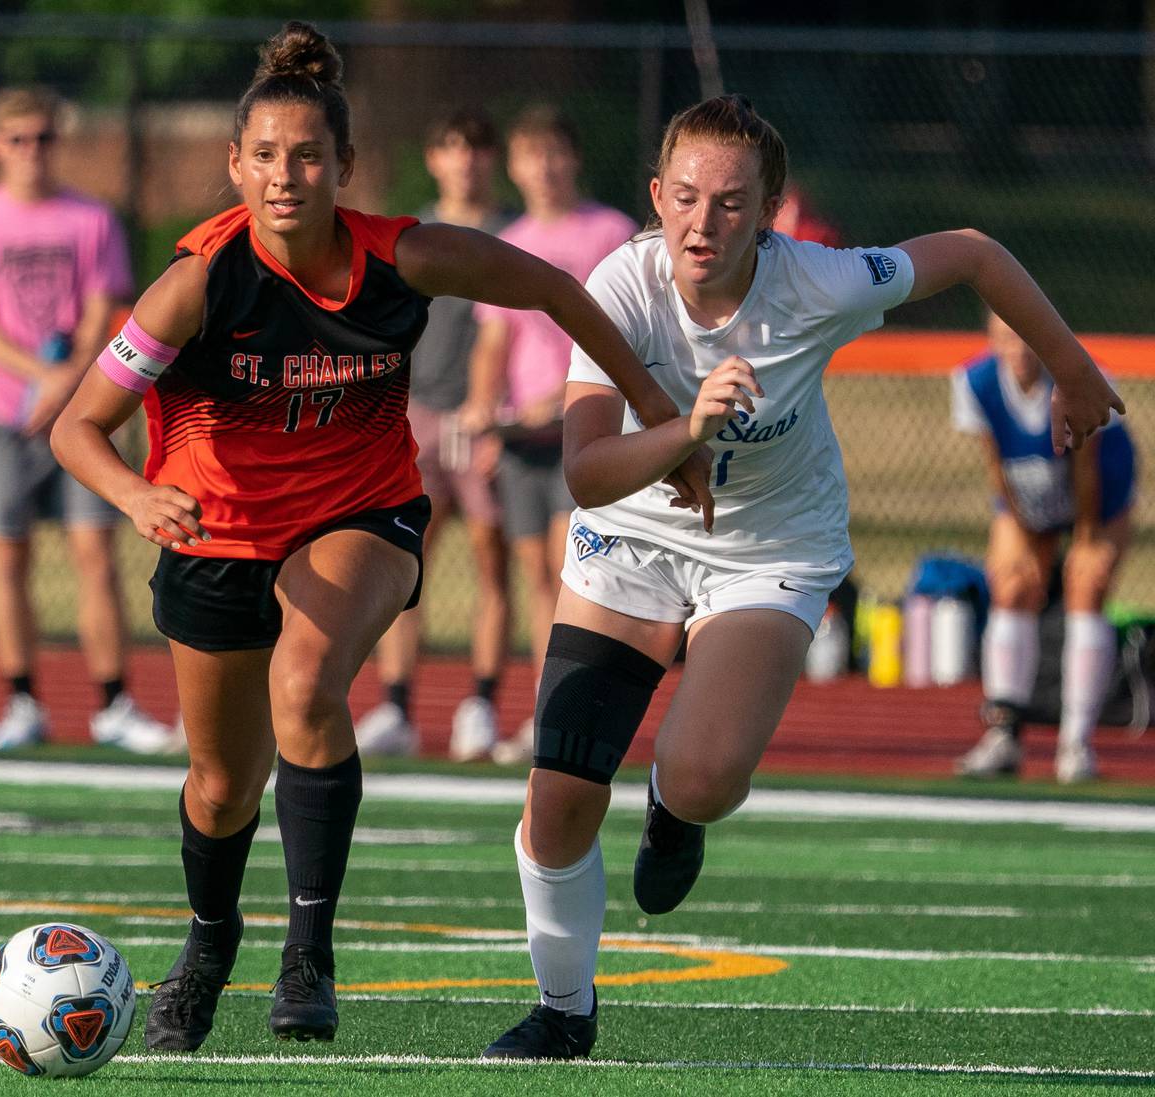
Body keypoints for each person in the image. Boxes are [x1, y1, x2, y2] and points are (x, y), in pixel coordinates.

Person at [49, 21, 705, 1052]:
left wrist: (660, 415)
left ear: (345, 167)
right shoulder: (196, 283)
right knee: (222, 783)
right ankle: (208, 949)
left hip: (361, 513)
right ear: (235, 165)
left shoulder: (404, 257)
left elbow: (558, 288)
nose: (285, 175)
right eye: (263, 156)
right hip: (216, 535)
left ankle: (309, 952)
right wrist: (135, 497)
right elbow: (73, 426)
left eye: (308, 156)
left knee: (306, 684)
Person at [481, 94, 1125, 1060]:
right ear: (657, 197)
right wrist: (687, 429)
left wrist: (1071, 368)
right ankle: (563, 1011)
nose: (706, 223)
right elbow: (586, 472)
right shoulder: (619, 284)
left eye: (734, 204)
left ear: (772, 215)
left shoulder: (820, 280)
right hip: (631, 538)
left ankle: (674, 809)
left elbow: (977, 252)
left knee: (703, 776)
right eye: (687, 198)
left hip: (769, 548)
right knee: (560, 794)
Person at [0, 87, 171, 754]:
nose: (31, 152)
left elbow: (105, 309)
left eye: (43, 138)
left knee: (95, 554)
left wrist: (67, 383)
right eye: (18, 140)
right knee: (6, 555)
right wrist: (35, 378)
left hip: (80, 409)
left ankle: (112, 702)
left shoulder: (90, 219)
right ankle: (22, 700)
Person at [462, 104, 638, 764]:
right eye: (533, 155)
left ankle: (575, 714)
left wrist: (561, 396)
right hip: (519, 442)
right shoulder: (509, 239)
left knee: (575, 573)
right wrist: (486, 411)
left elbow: (622, 329)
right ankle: (547, 712)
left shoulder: (610, 232)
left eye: (556, 153)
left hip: (582, 427)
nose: (546, 167)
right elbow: (493, 336)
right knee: (536, 575)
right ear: (515, 167)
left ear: (575, 159)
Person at [354, 107, 514, 762]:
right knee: (404, 563)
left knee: (492, 564)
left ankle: (481, 705)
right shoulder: (412, 232)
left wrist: (496, 412)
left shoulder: (513, 232)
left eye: (477, 147)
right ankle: (396, 706)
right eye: (453, 147)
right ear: (434, 158)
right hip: (418, 415)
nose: (466, 160)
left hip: (487, 421)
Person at [952, 313, 1135, 784]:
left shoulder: (1075, 375)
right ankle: (1004, 734)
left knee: (1085, 585)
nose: (1018, 346)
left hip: (1099, 494)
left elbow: (1087, 467)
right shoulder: (974, 381)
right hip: (1030, 491)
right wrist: (1020, 527)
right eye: (1006, 335)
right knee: (1010, 586)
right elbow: (996, 462)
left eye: (1025, 333)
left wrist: (1087, 537)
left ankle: (1076, 744)